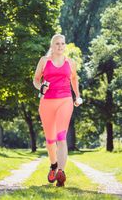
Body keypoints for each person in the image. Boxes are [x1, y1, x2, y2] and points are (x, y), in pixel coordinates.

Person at [33, 33, 82, 187]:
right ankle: (54, 165)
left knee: (61, 137)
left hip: (65, 101)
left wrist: (77, 96)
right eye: (57, 44)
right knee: (50, 141)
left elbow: (74, 79)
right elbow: (35, 79)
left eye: (62, 44)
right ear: (52, 46)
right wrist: (41, 87)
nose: (60, 46)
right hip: (46, 103)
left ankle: (61, 172)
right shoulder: (44, 61)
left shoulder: (71, 62)